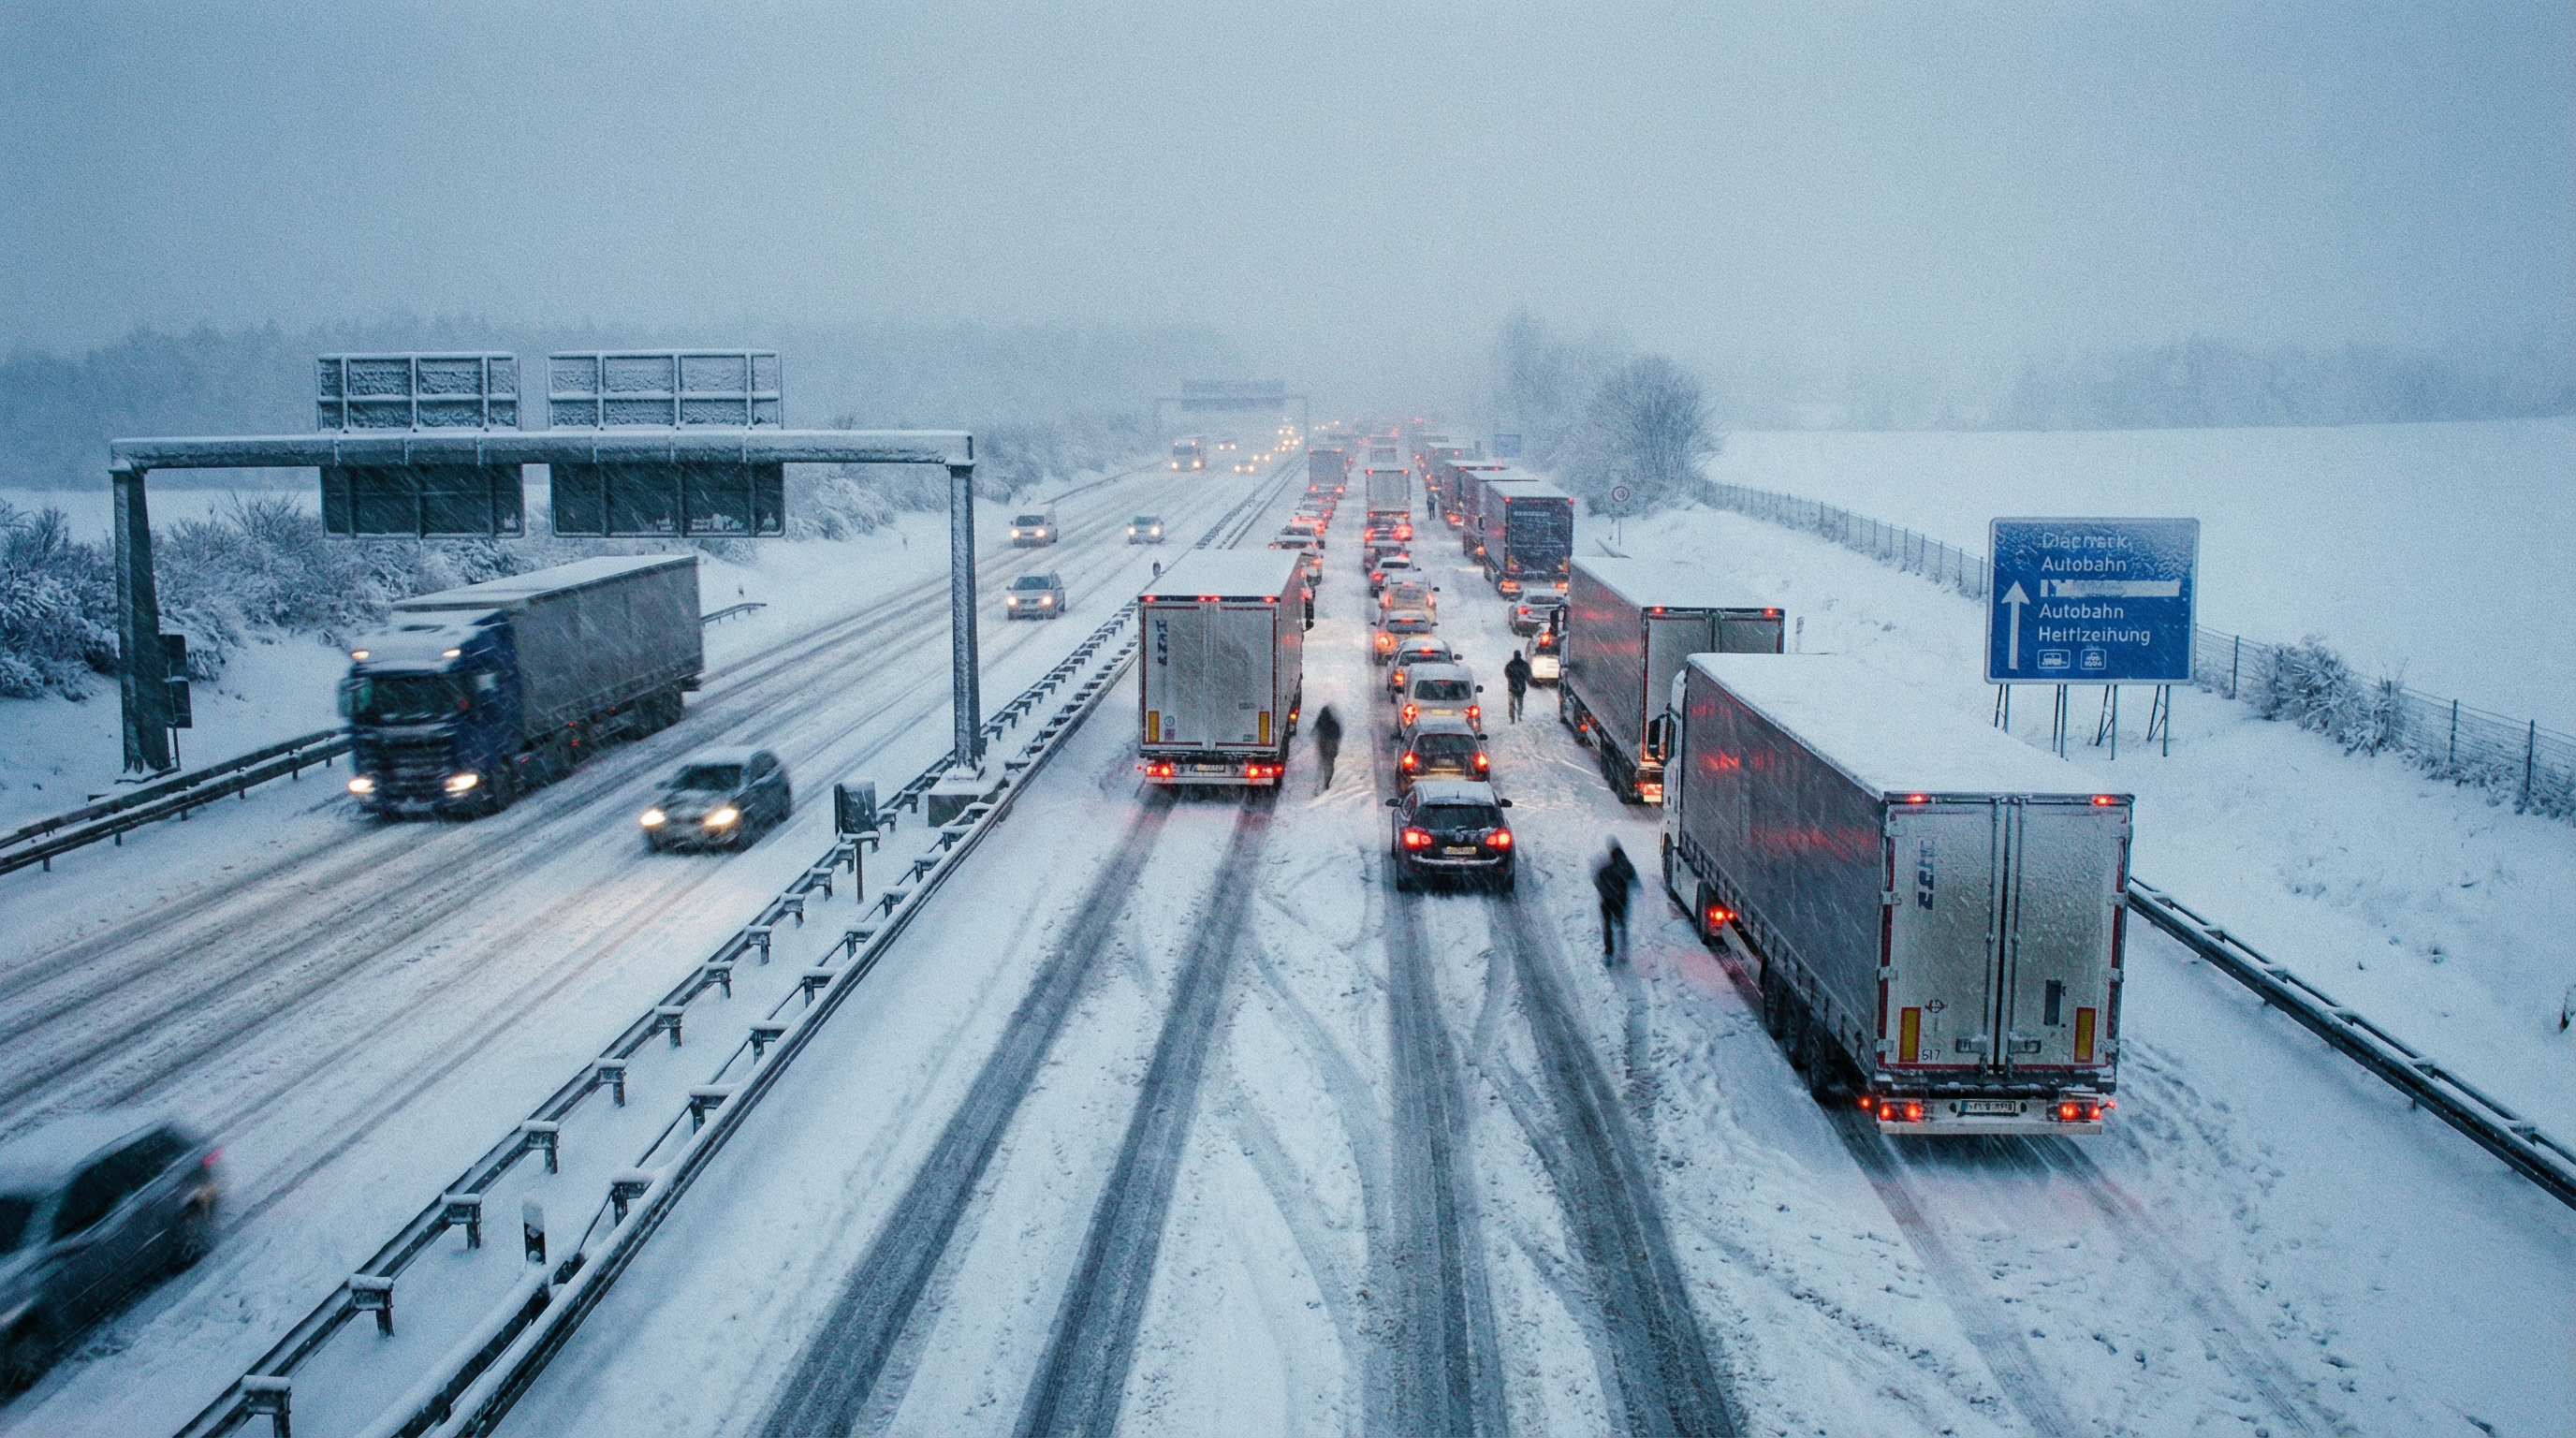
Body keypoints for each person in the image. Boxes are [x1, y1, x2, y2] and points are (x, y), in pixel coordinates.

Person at [1594, 839, 1637, 963]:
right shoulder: (1627, 866)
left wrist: (1605, 891)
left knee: (1607, 926)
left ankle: (1609, 953)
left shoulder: (1607, 867)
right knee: (1622, 925)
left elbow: (1598, 880)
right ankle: (1623, 953)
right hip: (1620, 902)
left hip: (1606, 901)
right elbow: (1633, 878)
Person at [1313, 704, 1342, 791]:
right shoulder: (1333, 723)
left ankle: (1321, 781)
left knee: (1323, 761)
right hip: (1331, 744)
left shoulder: (1320, 722)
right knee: (1329, 763)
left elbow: (1315, 731)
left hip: (1323, 743)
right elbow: (1338, 733)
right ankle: (1327, 781)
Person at [1503, 649, 1531, 723]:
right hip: (1518, 688)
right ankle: (1517, 717)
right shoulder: (1523, 664)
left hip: (1514, 688)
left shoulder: (1510, 665)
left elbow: (1506, 673)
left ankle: (1515, 718)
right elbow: (1528, 674)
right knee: (1518, 704)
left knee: (1513, 704)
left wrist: (1512, 679)